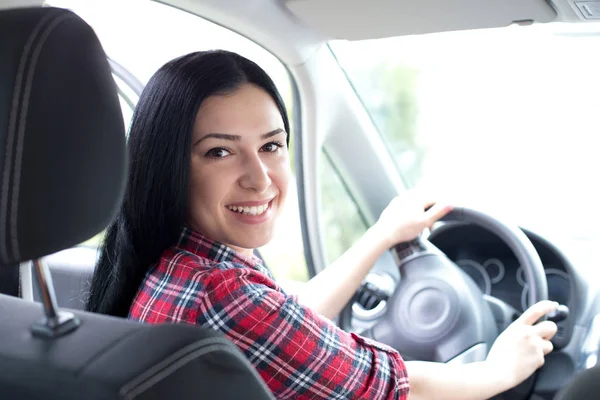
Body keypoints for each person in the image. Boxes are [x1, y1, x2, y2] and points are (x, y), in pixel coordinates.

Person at [87, 50, 558, 400]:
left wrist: (382, 235)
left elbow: (285, 320)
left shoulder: (177, 267)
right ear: (168, 165)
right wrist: (499, 370)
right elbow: (391, 388)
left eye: (272, 145)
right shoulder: (221, 292)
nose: (259, 177)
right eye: (220, 152)